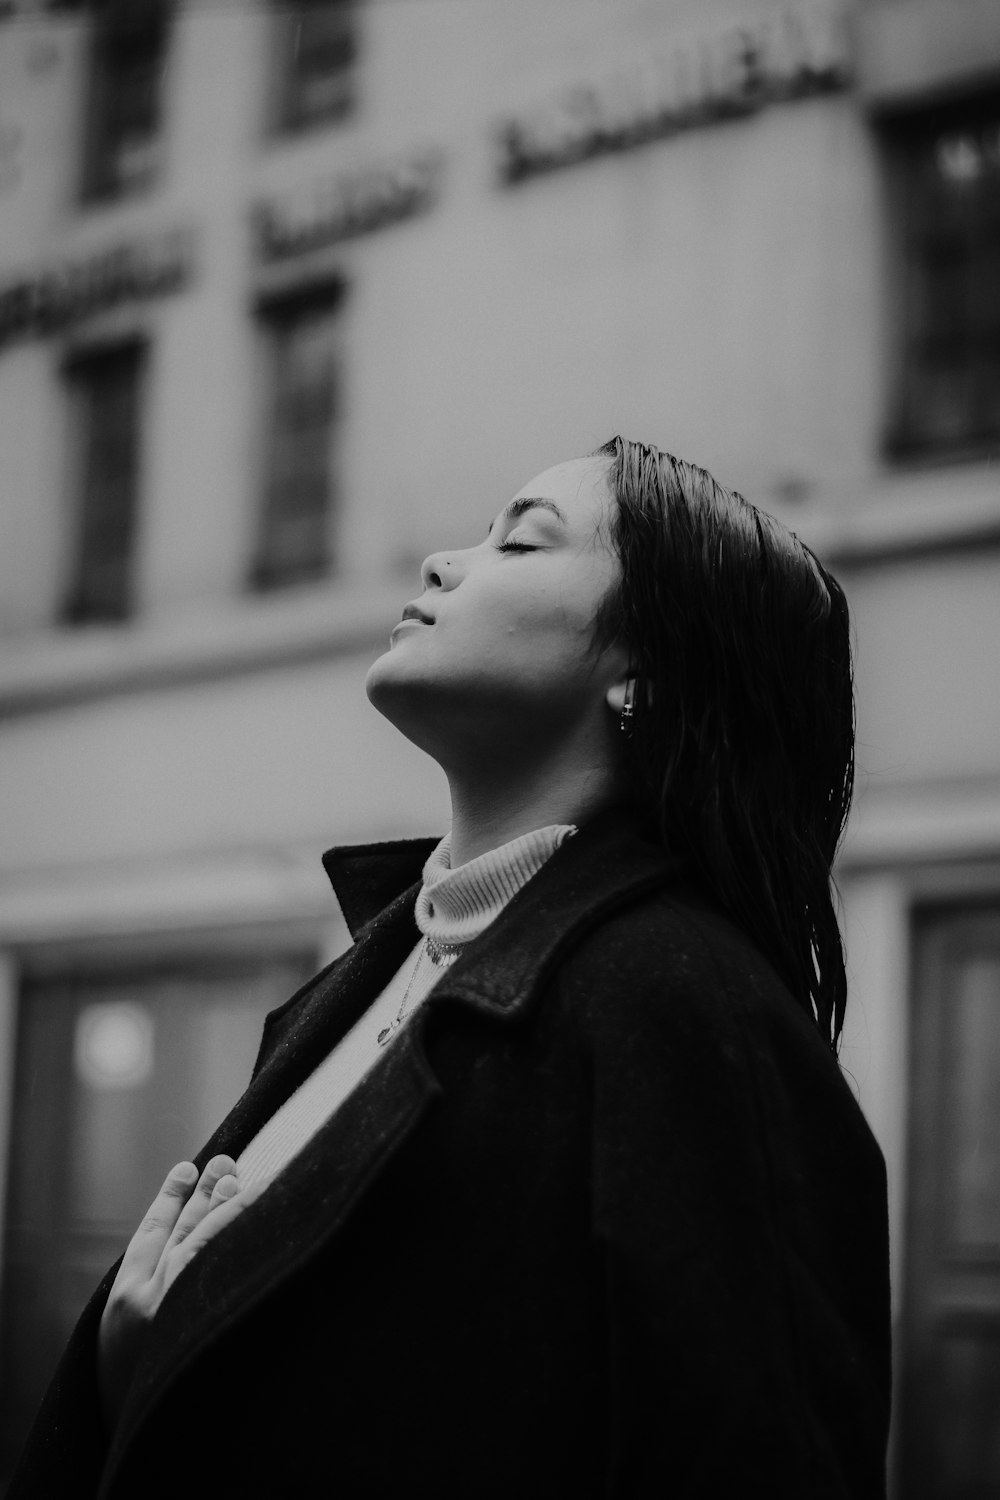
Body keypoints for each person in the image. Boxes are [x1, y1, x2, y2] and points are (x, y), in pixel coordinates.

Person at [9, 436, 891, 1498]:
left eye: (520, 542)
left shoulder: (687, 1009)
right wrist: (130, 1379)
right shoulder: (369, 982)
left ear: (641, 676)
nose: (441, 561)